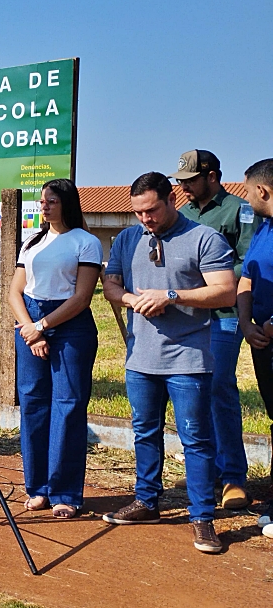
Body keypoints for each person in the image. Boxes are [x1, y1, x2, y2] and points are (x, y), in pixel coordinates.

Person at [101, 172, 236, 554]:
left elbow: (224, 289)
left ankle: (202, 518)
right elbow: (110, 285)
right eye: (139, 212)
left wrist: (171, 296)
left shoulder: (203, 238)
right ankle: (146, 502)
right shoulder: (128, 239)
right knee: (144, 432)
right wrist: (130, 300)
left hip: (189, 358)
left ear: (172, 198)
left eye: (153, 210)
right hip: (140, 356)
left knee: (195, 439)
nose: (146, 219)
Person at [7, 179, 101, 519]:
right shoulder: (32, 241)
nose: (44, 206)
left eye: (51, 201)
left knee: (68, 406)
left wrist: (43, 327)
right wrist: (30, 329)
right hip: (29, 323)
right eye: (42, 201)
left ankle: (65, 492)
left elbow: (82, 297)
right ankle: (38, 488)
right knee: (33, 404)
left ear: (66, 203)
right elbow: (15, 291)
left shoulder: (86, 242)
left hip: (70, 326)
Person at [170, 150, 255, 509]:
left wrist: (210, 280)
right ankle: (208, 472)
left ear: (213, 176)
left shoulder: (239, 210)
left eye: (190, 180)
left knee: (219, 386)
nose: (184, 187)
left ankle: (233, 476)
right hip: (187, 316)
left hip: (224, 313)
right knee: (194, 391)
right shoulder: (181, 214)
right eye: (180, 181)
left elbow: (248, 262)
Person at [235, 158, 273, 538]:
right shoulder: (263, 228)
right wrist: (246, 323)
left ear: (262, 191)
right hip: (262, 341)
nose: (246, 197)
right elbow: (246, 277)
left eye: (247, 190)